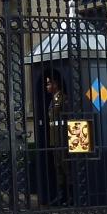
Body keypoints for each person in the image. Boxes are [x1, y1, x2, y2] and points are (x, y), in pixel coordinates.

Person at [42, 70, 71, 206]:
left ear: (56, 84)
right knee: (58, 167)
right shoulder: (52, 100)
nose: (47, 86)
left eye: (49, 83)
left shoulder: (63, 99)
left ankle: (70, 196)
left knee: (66, 168)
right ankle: (61, 195)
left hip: (63, 139)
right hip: (55, 140)